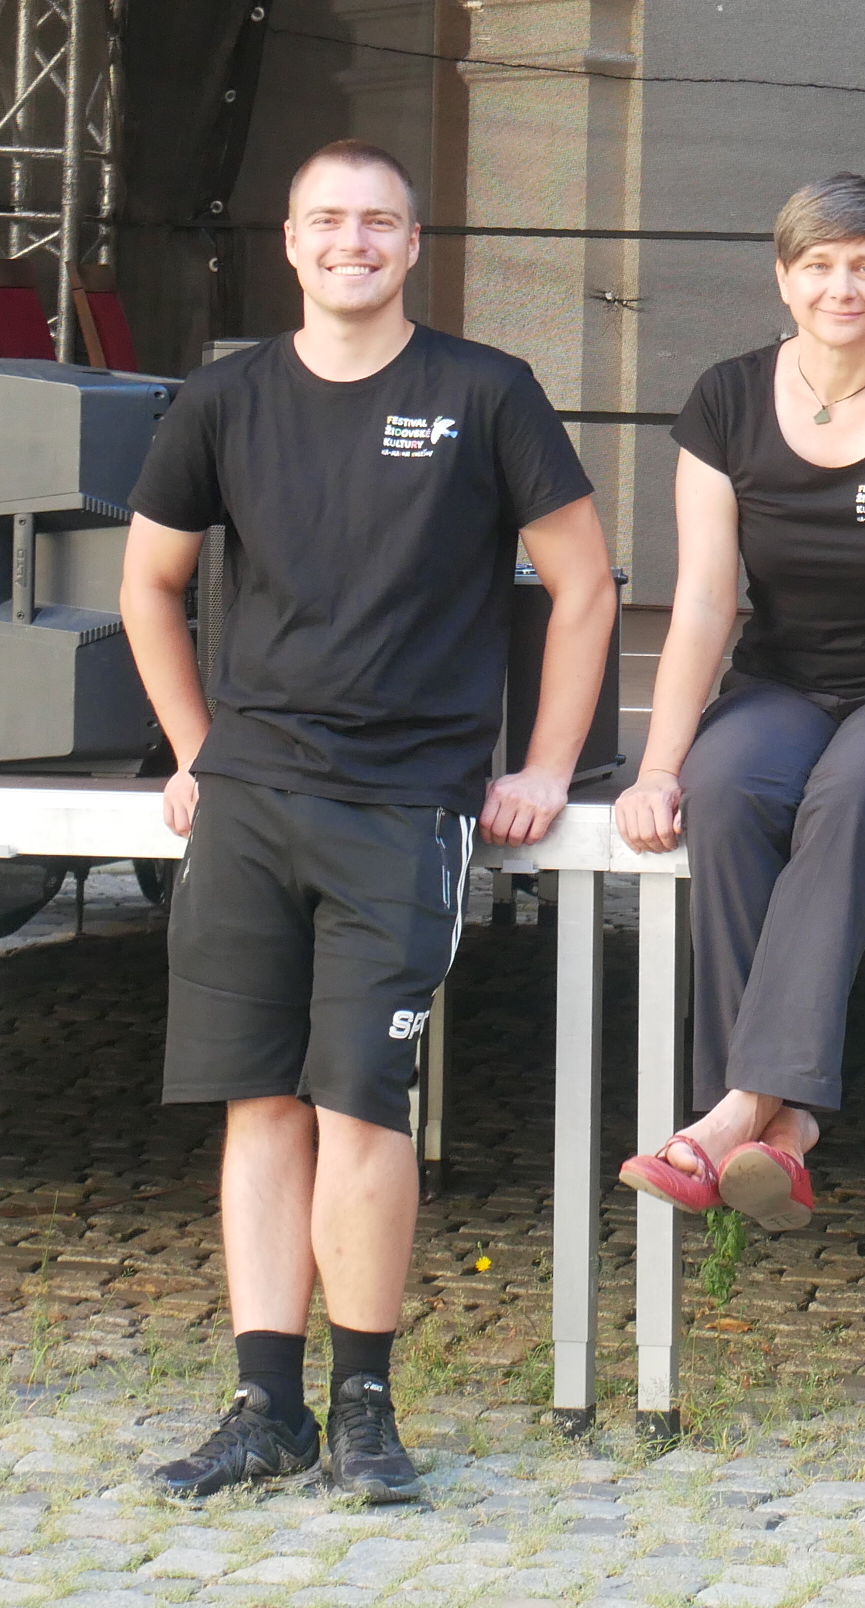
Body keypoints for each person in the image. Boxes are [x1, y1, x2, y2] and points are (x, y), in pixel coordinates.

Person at [119, 141, 615, 1503]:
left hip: (404, 804)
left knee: (358, 1104)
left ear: (413, 244)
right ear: (289, 241)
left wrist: (545, 765)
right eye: (328, 220)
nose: (354, 241)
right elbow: (148, 585)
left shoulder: (486, 391)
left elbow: (585, 585)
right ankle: (264, 1410)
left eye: (380, 222)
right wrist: (198, 749)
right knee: (257, 1107)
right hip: (250, 801)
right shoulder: (223, 400)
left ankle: (366, 1413)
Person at [611, 172, 865, 1228]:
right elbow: (705, 602)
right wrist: (657, 768)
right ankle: (780, 1133)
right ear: (784, 279)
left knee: (848, 794)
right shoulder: (727, 399)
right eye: (820, 265)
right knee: (726, 787)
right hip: (781, 679)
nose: (844, 287)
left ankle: (730, 1113)